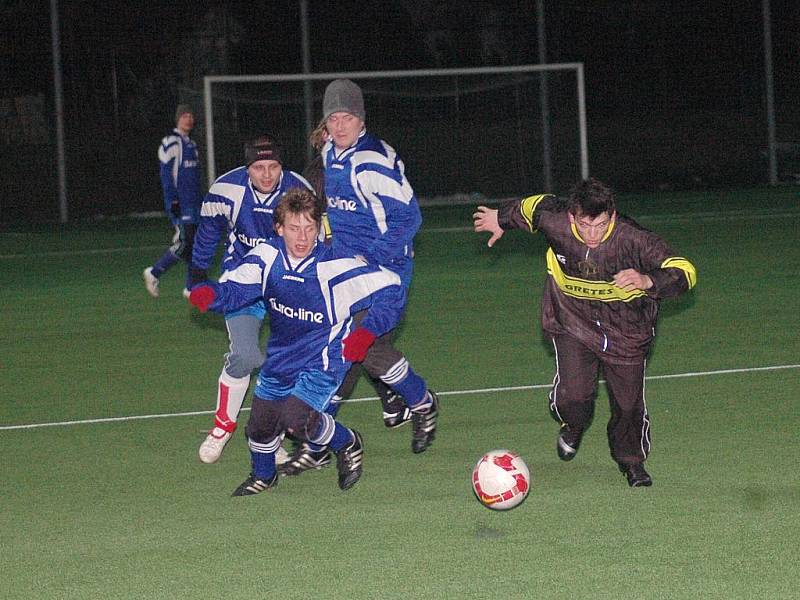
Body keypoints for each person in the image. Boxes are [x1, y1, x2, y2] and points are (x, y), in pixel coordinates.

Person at [473, 178, 697, 487]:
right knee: (575, 397)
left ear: (612, 216)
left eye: (601, 225)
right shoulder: (554, 219)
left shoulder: (634, 239)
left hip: (627, 332)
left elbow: (685, 271)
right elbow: (531, 207)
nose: (593, 234)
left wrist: (648, 280)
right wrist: (501, 218)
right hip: (572, 323)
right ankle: (573, 424)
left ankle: (631, 462)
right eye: (585, 225)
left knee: (629, 405)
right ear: (571, 217)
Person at [188, 188, 410, 494]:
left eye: (310, 228)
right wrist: (212, 296)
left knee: (296, 420)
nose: (302, 237)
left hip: (324, 359)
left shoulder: (336, 265)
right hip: (283, 355)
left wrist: (365, 333)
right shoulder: (267, 256)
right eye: (294, 228)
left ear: (319, 228)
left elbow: (392, 288)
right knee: (260, 426)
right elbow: (237, 288)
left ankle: (348, 443)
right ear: (279, 228)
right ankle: (264, 476)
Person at [280, 79, 439, 475]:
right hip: (345, 274)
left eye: (346, 116)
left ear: (360, 118)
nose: (339, 124)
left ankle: (419, 403)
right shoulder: (331, 156)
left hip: (384, 274)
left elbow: (409, 217)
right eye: (332, 117)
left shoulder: (371, 161)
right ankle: (324, 437)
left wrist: (373, 260)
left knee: (357, 348)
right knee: (344, 352)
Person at [191, 134, 315, 464]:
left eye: (273, 166)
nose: (266, 174)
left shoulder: (298, 190)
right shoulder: (226, 190)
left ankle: (268, 437)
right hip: (243, 281)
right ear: (248, 168)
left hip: (288, 282)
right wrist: (198, 278)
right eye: (258, 167)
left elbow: (317, 234)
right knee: (245, 356)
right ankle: (222, 428)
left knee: (294, 362)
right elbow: (207, 234)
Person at [144, 104, 203, 298]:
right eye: (185, 116)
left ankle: (190, 287)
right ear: (177, 119)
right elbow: (167, 176)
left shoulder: (192, 145)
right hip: (181, 205)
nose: (188, 119)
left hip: (195, 205)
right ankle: (153, 272)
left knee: (196, 245)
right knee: (185, 243)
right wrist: (173, 202)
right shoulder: (171, 142)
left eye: (191, 116)